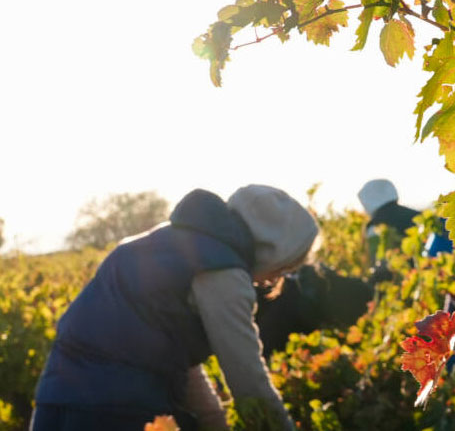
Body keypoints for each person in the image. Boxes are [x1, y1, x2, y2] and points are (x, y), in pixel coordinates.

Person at [31, 185, 318, 431]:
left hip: (58, 394)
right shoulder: (223, 273)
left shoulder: (173, 240)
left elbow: (177, 357)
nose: (275, 278)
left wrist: (214, 421)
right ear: (271, 249)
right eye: (285, 266)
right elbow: (247, 377)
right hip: (115, 407)